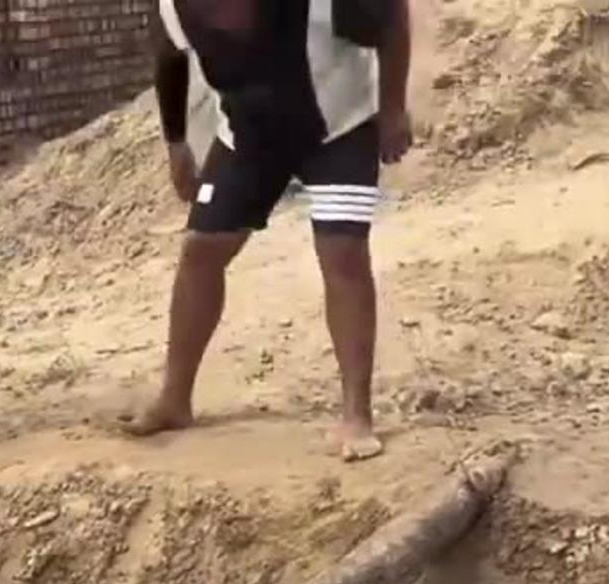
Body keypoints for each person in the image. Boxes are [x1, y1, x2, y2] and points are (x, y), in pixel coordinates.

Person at [132, 0, 413, 461]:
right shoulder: (170, 6)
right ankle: (174, 399)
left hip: (338, 130)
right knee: (200, 251)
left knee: (342, 252)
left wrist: (394, 109)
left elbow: (392, 16)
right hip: (248, 138)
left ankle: (356, 414)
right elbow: (169, 57)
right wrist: (176, 144)